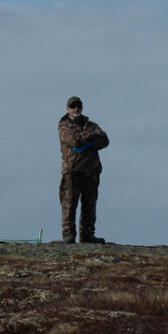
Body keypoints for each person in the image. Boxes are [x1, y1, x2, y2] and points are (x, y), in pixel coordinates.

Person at [57, 96, 109, 243]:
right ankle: (68, 235)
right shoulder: (64, 125)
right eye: (73, 106)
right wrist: (92, 136)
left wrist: (89, 143)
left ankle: (87, 235)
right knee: (69, 204)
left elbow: (105, 140)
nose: (76, 108)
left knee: (89, 205)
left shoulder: (90, 124)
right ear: (67, 109)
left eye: (79, 106)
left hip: (91, 170)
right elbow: (73, 139)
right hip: (72, 171)